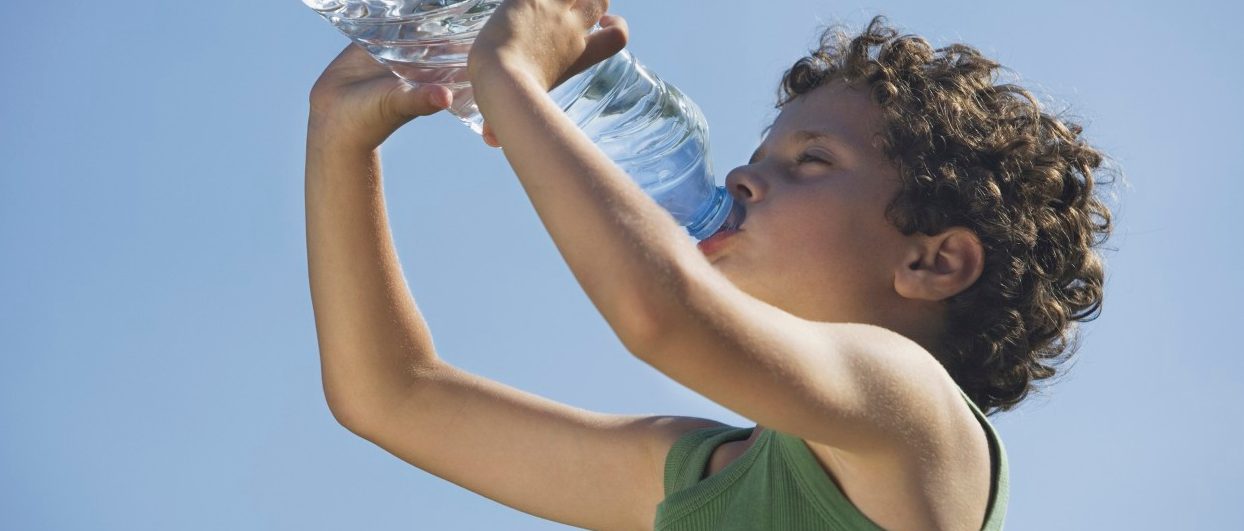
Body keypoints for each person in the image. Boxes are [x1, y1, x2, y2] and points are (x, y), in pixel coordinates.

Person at [304, 1, 1115, 529]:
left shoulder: (914, 417)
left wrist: (511, 76)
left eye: (811, 161)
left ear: (934, 261)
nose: (739, 177)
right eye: (760, 154)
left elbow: (661, 313)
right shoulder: (700, 475)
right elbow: (392, 397)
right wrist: (339, 136)